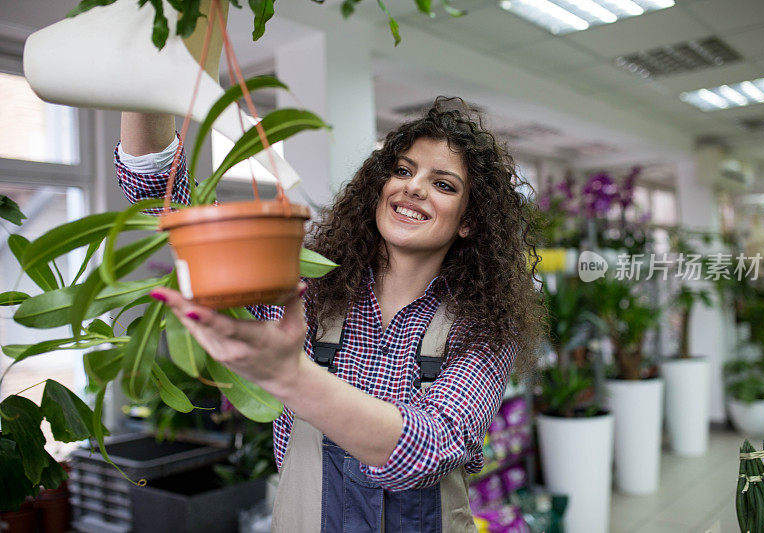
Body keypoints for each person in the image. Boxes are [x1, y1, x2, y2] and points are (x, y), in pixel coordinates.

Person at [117, 97, 546, 532]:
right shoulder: (306, 291)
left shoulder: (484, 327)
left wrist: (293, 376)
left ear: (468, 221)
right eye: (402, 170)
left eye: (444, 184)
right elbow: (168, 202)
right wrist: (149, 79)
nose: (412, 187)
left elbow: (432, 448)